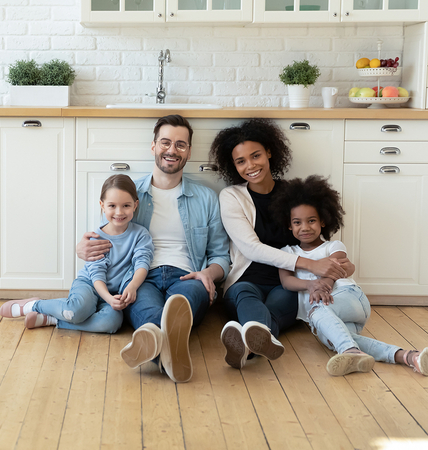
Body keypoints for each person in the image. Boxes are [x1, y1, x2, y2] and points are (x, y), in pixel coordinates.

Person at [77, 114, 230, 383]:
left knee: (182, 303)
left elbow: (220, 255)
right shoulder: (128, 193)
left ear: (189, 151)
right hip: (140, 278)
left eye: (180, 145)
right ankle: (170, 353)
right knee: (147, 311)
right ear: (153, 146)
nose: (172, 150)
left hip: (188, 276)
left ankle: (154, 348)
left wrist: (209, 274)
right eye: (165, 143)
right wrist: (83, 249)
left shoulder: (206, 198)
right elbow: (104, 238)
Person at [209, 118, 354, 370]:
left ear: (269, 152)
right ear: (233, 166)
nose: (250, 165)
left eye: (256, 156)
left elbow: (314, 234)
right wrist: (313, 265)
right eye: (240, 161)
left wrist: (330, 266)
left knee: (277, 307)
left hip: (288, 282)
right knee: (245, 296)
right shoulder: (231, 196)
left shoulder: (294, 193)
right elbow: (251, 248)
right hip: (245, 280)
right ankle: (256, 341)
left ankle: (246, 347)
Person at [272, 175, 428, 376]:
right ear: (289, 225)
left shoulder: (333, 246)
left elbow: (338, 268)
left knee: (319, 314)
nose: (305, 227)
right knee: (339, 336)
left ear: (323, 221)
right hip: (324, 317)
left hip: (349, 299)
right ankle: (409, 357)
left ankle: (349, 352)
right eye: (297, 222)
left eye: (311, 220)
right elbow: (286, 281)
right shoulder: (286, 252)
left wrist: (324, 286)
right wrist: (311, 286)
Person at [0, 174, 154, 334]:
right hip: (90, 285)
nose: (119, 212)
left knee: (112, 322)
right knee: (77, 310)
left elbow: (142, 262)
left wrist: (133, 286)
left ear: (135, 205)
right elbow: (96, 275)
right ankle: (35, 305)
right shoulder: (97, 237)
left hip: (115, 294)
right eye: (112, 206)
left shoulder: (141, 235)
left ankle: (52, 319)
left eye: (126, 206)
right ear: (102, 205)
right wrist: (107, 298)